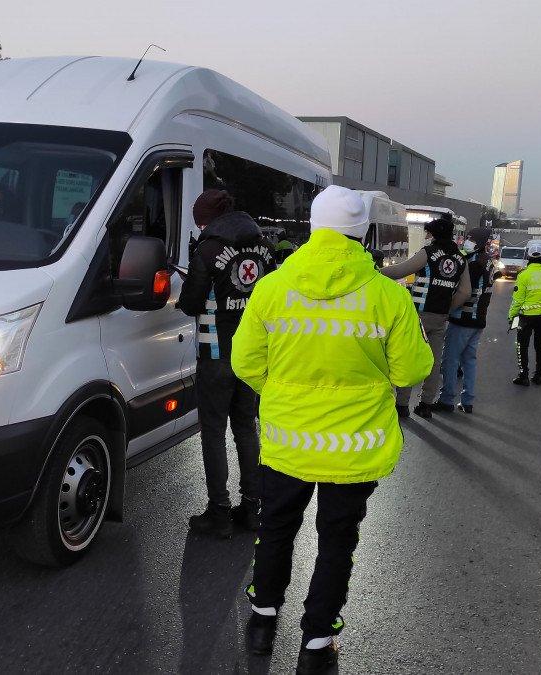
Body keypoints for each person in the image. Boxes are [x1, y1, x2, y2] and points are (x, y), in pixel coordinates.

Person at [231, 185, 433, 674]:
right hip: (354, 447)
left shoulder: (273, 288)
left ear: (314, 229)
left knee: (276, 529)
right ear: (360, 234)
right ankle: (317, 644)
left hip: (286, 443)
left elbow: (244, 362)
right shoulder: (388, 295)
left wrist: (283, 391)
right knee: (337, 541)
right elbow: (411, 371)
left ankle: (262, 622)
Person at [176, 189, 273, 537]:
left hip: (216, 354)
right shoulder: (264, 248)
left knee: (214, 434)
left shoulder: (208, 249)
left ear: (208, 218)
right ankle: (251, 510)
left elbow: (191, 303)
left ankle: (218, 514)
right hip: (252, 356)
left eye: (200, 219)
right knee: (246, 428)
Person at [379, 213, 470, 419]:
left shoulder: (428, 253)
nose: (427, 237)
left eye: (429, 233)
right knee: (433, 361)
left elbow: (400, 271)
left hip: (418, 315)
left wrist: (374, 271)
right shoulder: (460, 258)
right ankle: (426, 404)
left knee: (410, 356)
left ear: (435, 235)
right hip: (440, 317)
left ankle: (402, 405)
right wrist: (448, 310)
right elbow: (465, 291)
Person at [439, 227, 495, 413]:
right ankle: (467, 400)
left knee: (450, 360)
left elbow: (463, 291)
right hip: (478, 320)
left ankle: (446, 399)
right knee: (469, 360)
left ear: (478, 242)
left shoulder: (473, 264)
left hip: (462, 318)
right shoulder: (488, 262)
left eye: (470, 239)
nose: (466, 242)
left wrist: (446, 310)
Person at [508, 242, 541, 387]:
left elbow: (517, 300)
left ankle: (523, 376)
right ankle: (539, 376)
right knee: (540, 346)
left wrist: (511, 317)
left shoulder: (523, 275)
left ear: (529, 257)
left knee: (521, 346)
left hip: (524, 317)